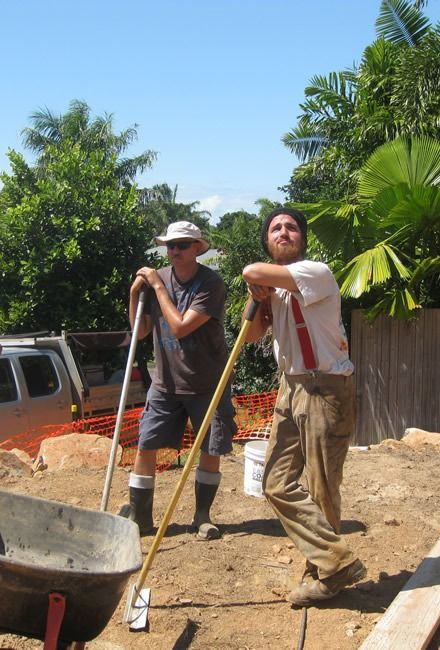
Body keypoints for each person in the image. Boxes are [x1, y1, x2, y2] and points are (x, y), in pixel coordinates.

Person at [242, 207, 365, 607]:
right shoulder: (274, 291)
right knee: (275, 483)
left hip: (326, 387)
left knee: (323, 486)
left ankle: (327, 571)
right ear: (267, 240)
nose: (283, 232)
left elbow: (250, 270)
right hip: (290, 387)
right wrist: (257, 300)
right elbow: (253, 335)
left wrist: (255, 281)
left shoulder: (317, 273)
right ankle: (335, 560)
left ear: (302, 239)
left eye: (290, 227)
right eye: (275, 228)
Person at [125, 220, 236, 541]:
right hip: (166, 383)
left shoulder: (210, 284)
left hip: (208, 383)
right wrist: (134, 295)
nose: (174, 251)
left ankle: (202, 517)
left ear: (196, 249)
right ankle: (140, 517)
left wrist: (158, 289)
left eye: (182, 245)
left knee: (210, 448)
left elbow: (181, 327)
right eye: (170, 245)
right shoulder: (157, 278)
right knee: (145, 444)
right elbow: (141, 331)